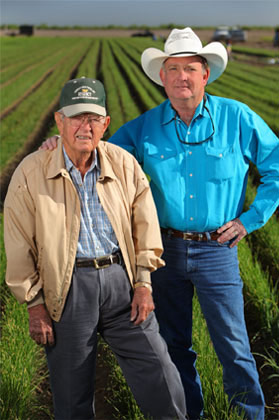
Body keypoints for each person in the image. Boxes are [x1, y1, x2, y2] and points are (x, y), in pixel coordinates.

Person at [40, 28, 279, 420]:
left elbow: (276, 167)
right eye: (173, 69)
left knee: (233, 345)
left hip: (218, 249)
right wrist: (58, 142)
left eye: (190, 68)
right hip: (163, 254)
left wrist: (251, 219)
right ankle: (190, 414)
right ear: (162, 76)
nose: (181, 76)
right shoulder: (144, 127)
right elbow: (98, 152)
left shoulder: (237, 118)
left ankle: (249, 414)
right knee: (173, 347)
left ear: (205, 75)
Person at [4, 77, 187, 420]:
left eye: (92, 118)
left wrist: (144, 282)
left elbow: (144, 225)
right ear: (59, 121)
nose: (84, 126)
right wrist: (35, 304)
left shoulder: (123, 163)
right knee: (72, 396)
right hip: (68, 290)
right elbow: (18, 242)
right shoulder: (31, 172)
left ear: (105, 124)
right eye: (75, 117)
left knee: (161, 374)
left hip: (123, 283)